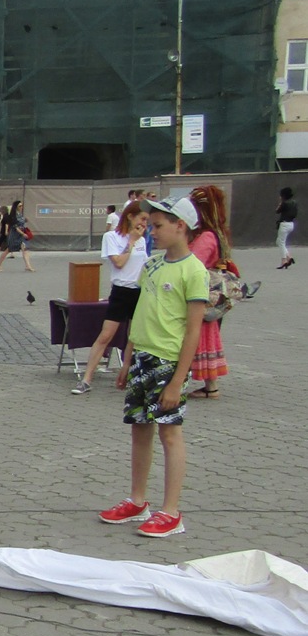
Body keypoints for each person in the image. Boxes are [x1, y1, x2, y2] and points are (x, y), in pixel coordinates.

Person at [99, 194, 207, 538]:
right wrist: (128, 358)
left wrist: (177, 380)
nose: (151, 232)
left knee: (169, 433)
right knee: (139, 429)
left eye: (158, 226)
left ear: (181, 226)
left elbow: (194, 330)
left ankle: (171, 511)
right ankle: (137, 500)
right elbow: (140, 312)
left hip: (168, 361)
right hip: (142, 357)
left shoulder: (194, 271)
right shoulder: (153, 264)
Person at [72, 201, 147, 395]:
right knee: (106, 335)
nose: (144, 224)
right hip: (121, 291)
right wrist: (131, 242)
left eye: (147, 220)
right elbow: (119, 263)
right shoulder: (112, 237)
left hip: (139, 291)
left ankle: (128, 375)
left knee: (134, 336)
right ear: (130, 217)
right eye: (142, 219)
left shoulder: (142, 240)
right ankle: (87, 379)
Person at [184, 184, 232, 398]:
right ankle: (210, 385)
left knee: (197, 337)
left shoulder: (206, 237)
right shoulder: (216, 234)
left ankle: (181, 381)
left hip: (200, 294)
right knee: (206, 336)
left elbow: (193, 264)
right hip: (210, 294)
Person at [0, 201, 34, 271]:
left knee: (25, 249)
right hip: (14, 235)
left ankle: (28, 266)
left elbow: (21, 222)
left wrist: (25, 220)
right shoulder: (13, 216)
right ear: (16, 207)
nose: (21, 207)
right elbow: (15, 227)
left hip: (21, 235)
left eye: (22, 205)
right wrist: (23, 233)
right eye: (20, 206)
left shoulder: (20, 214)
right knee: (8, 250)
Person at [277, 186, 297, 269]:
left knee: (281, 242)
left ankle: (284, 260)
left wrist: (280, 203)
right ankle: (289, 257)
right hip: (291, 224)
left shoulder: (284, 203)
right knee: (279, 241)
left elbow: (277, 211)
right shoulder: (294, 203)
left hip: (284, 224)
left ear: (283, 195)